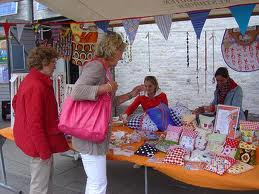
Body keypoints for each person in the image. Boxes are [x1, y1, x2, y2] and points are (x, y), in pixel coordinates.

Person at [70, 31, 143, 194]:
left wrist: (131, 94)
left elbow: (108, 103)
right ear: (112, 50)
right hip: (90, 136)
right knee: (98, 183)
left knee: (96, 181)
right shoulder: (96, 66)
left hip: (94, 134)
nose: (122, 55)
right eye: (120, 51)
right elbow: (76, 91)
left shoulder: (105, 68)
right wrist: (107, 87)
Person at [12, 46, 69, 194]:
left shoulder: (32, 79)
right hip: (39, 144)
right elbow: (34, 124)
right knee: (39, 187)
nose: (55, 64)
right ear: (44, 62)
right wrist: (44, 151)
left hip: (37, 141)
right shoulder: (37, 85)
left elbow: (15, 102)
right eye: (53, 61)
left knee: (43, 183)